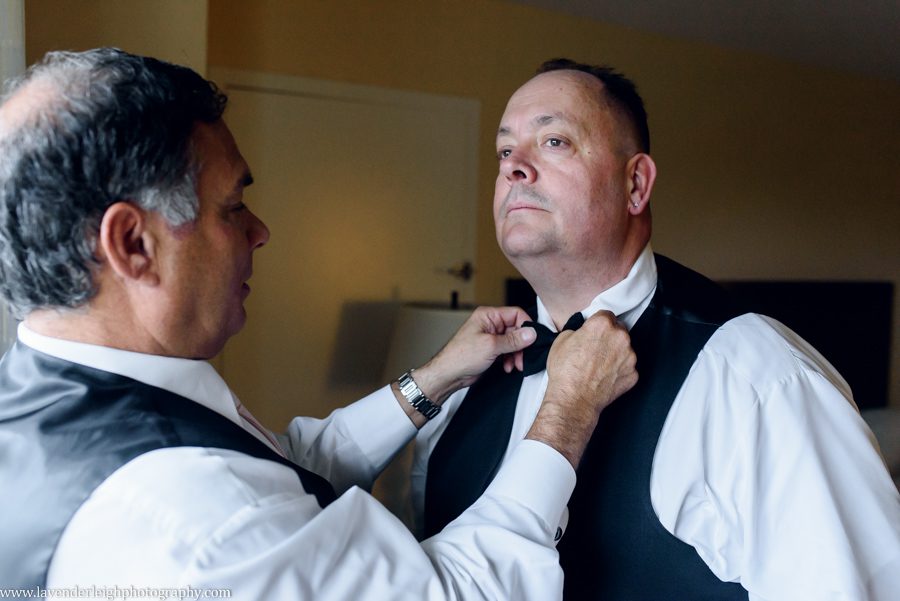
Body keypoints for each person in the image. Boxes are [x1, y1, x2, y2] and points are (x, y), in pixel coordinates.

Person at [0, 49, 640, 600]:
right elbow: (465, 591)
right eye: (234, 207)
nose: (260, 231)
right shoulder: (189, 513)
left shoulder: (46, 392)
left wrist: (432, 380)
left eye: (553, 141)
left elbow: (282, 468)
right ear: (132, 244)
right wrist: (567, 410)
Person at [415, 58, 900, 600]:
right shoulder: (457, 390)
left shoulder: (761, 379)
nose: (514, 168)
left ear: (636, 184)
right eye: (505, 150)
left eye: (554, 141)